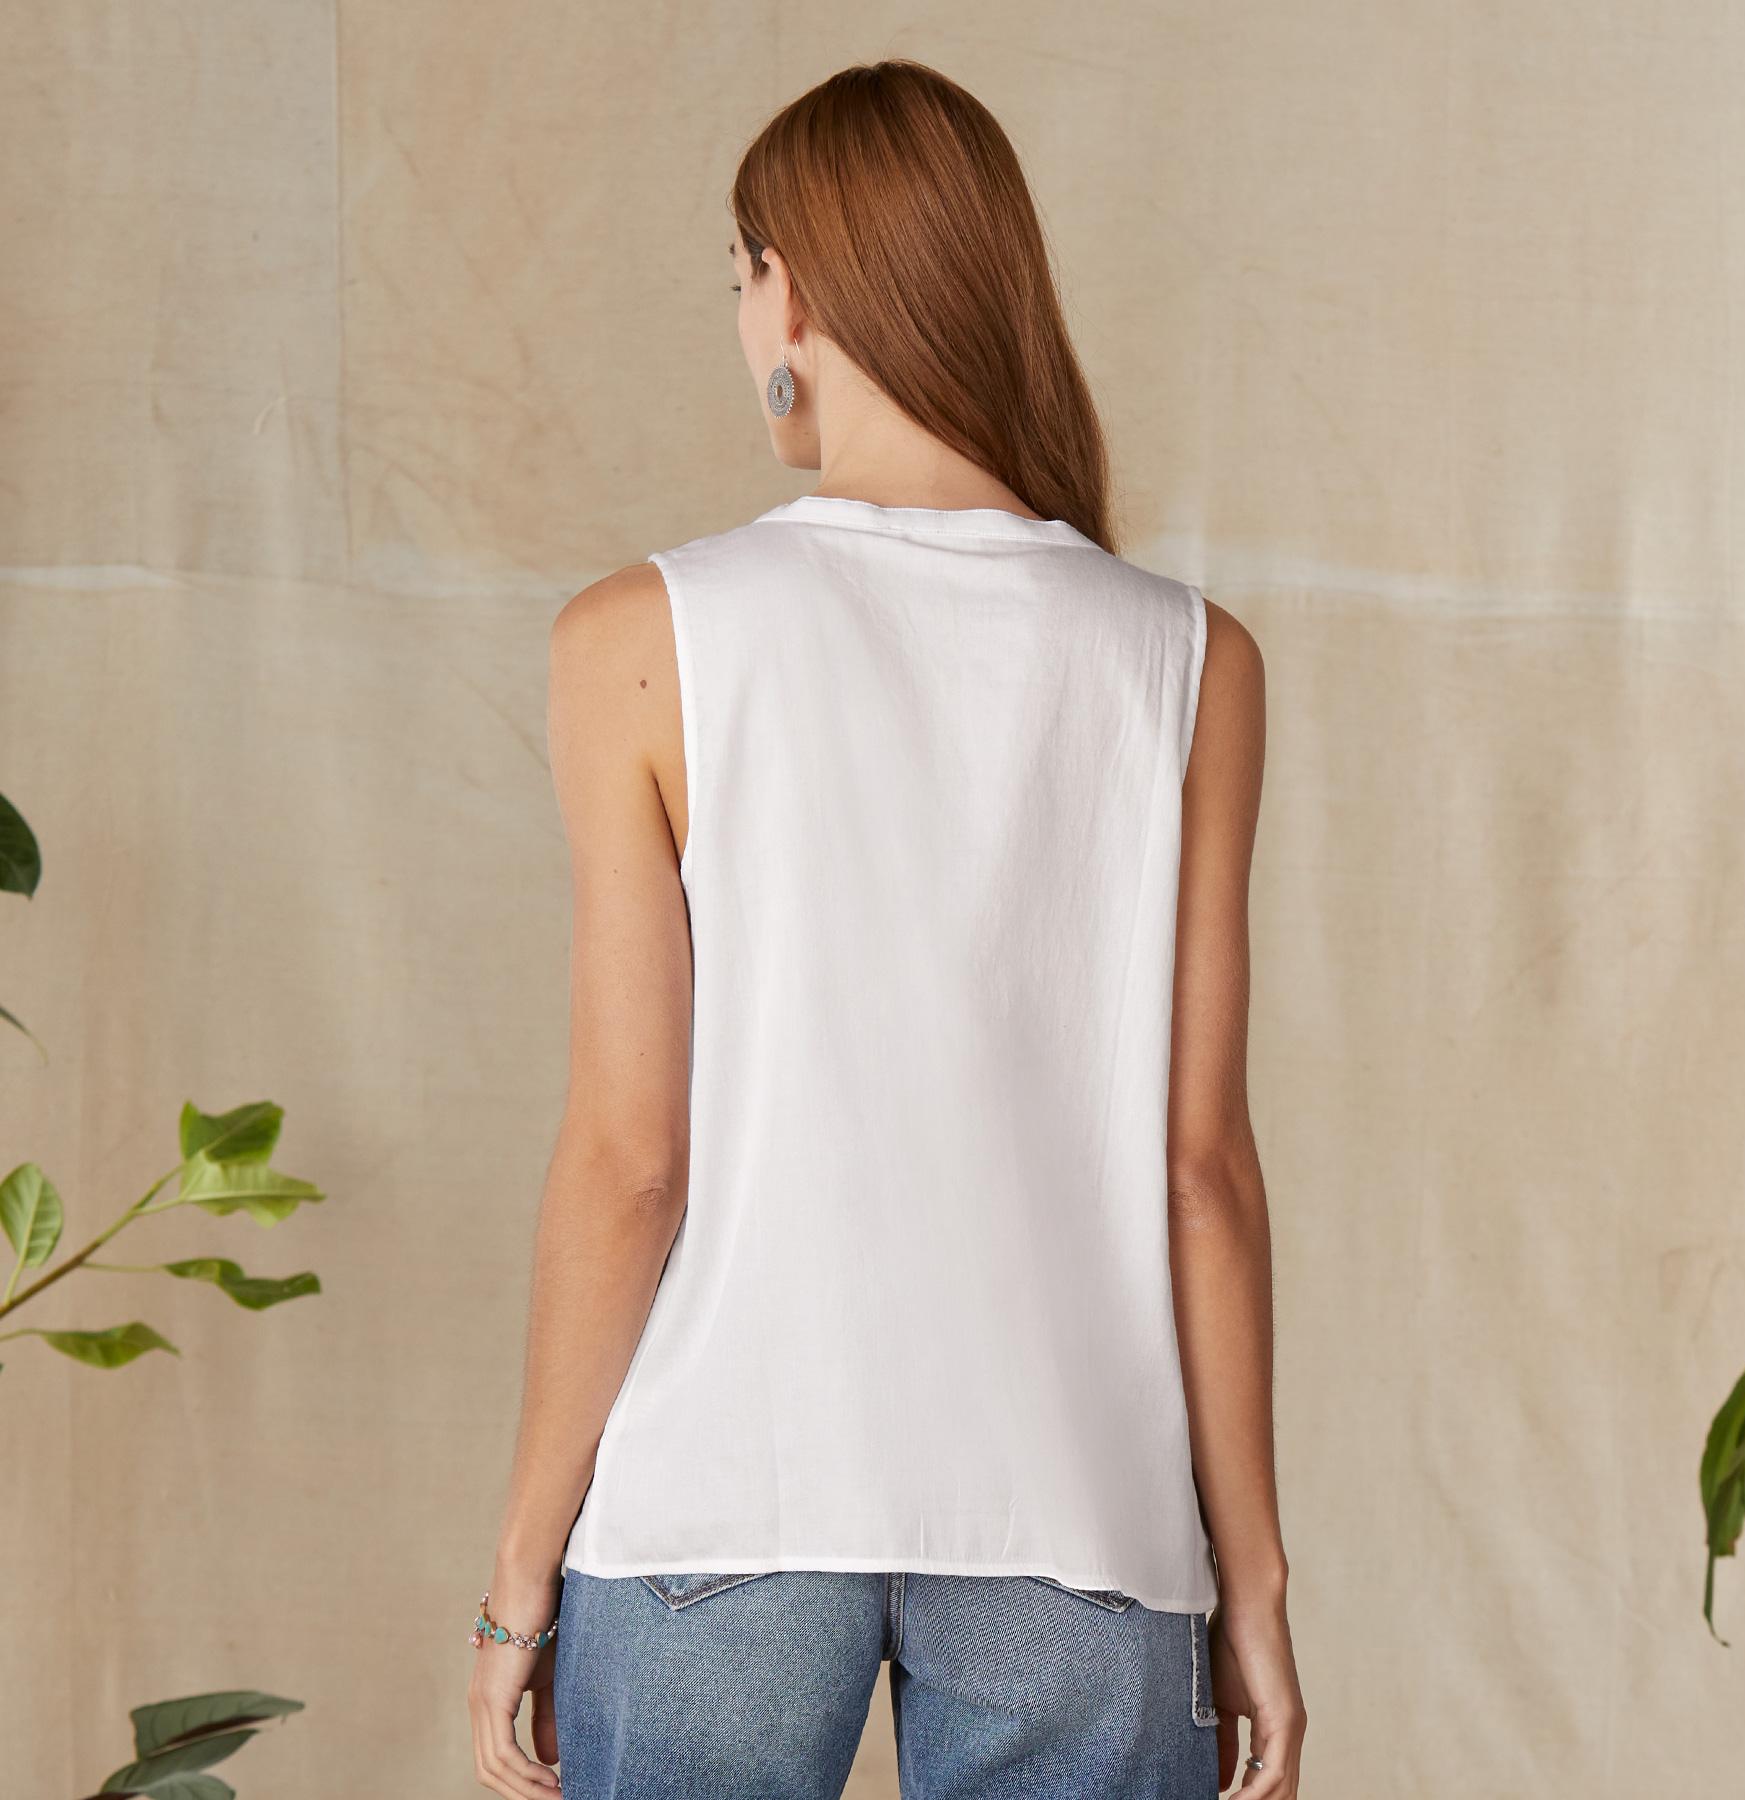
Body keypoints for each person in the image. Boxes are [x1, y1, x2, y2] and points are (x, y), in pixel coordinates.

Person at [468, 56, 1304, 1800]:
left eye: (738, 277)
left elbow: (631, 1161)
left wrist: (520, 1572)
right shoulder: (1186, 662)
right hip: (1080, 1521)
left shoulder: (639, 639)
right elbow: (1201, 1172)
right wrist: (1257, 1583)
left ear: (791, 294)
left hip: (720, 1502)